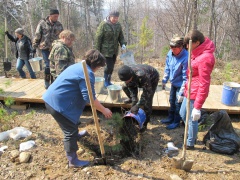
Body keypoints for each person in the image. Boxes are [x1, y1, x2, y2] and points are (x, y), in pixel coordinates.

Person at [43, 49, 112, 168]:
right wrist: (104, 110)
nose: (98, 70)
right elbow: (89, 97)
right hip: (59, 104)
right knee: (69, 131)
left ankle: (76, 136)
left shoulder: (79, 66)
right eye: (99, 67)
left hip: (53, 98)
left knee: (72, 123)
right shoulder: (87, 73)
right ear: (96, 65)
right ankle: (72, 160)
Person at [179, 30, 215, 150]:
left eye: (189, 44)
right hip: (189, 91)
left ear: (197, 42)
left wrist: (197, 107)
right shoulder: (196, 53)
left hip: (195, 94)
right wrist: (182, 91)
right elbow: (191, 76)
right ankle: (190, 133)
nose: (187, 47)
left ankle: (190, 142)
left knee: (191, 119)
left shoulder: (205, 58)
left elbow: (204, 83)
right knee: (182, 114)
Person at [118, 64, 159, 132]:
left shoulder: (142, 75)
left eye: (127, 80)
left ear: (131, 76)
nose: (126, 82)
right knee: (124, 87)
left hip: (152, 78)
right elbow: (131, 87)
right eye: (125, 80)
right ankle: (132, 100)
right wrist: (134, 100)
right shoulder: (127, 75)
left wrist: (137, 105)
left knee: (148, 100)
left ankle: (145, 123)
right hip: (137, 78)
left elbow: (147, 93)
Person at [161, 35, 188, 130]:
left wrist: (182, 92)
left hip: (181, 84)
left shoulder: (186, 58)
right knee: (171, 101)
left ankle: (176, 121)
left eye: (174, 48)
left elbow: (186, 78)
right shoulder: (170, 53)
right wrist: (165, 79)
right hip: (173, 82)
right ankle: (170, 118)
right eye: (170, 47)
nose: (172, 49)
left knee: (178, 103)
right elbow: (167, 67)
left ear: (181, 47)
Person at [33, 9, 63, 89]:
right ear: (50, 16)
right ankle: (46, 81)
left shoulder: (59, 25)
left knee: (55, 65)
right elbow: (37, 34)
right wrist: (35, 45)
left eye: (57, 16)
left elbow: (62, 36)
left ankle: (54, 83)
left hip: (56, 48)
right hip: (45, 47)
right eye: (55, 16)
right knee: (47, 65)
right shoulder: (42, 23)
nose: (56, 18)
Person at [95, 10, 127, 87]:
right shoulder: (103, 25)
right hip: (105, 50)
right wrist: (97, 51)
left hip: (114, 50)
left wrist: (123, 44)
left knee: (112, 67)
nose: (115, 19)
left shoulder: (118, 25)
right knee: (108, 66)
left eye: (117, 18)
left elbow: (121, 36)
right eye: (114, 17)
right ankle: (105, 82)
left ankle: (108, 81)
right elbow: (98, 38)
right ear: (110, 16)